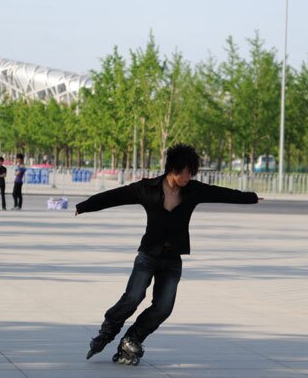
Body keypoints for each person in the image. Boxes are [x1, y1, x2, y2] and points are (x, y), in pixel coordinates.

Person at [78, 144, 260, 365]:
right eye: (182, 171)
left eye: (190, 172)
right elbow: (116, 196)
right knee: (133, 298)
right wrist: (86, 205)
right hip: (148, 255)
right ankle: (107, 331)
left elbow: (222, 193)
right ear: (170, 168)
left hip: (173, 259)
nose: (187, 176)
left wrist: (251, 197)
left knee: (164, 308)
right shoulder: (148, 188)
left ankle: (132, 339)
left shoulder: (193, 190)